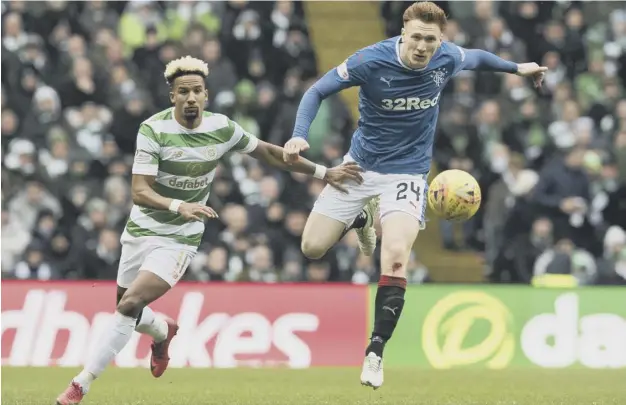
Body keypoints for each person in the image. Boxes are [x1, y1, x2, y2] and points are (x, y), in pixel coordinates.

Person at [55, 55, 363, 405]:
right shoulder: (153, 129)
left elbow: (270, 154)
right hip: (142, 228)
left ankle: (80, 384)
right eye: (183, 91)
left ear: (206, 95)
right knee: (129, 310)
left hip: (181, 237)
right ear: (172, 96)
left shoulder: (222, 128)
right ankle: (162, 331)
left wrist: (325, 172)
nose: (190, 98)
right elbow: (139, 190)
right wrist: (178, 205)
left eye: (197, 91)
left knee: (129, 305)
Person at [282, 1, 547, 390]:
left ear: (440, 40)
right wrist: (300, 132)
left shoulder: (446, 57)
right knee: (312, 247)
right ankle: (361, 217)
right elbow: (317, 90)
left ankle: (375, 351)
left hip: (407, 174)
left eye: (432, 40)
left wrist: (518, 68)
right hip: (359, 167)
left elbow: (475, 56)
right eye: (418, 38)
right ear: (403, 34)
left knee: (395, 258)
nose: (424, 46)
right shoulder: (369, 60)